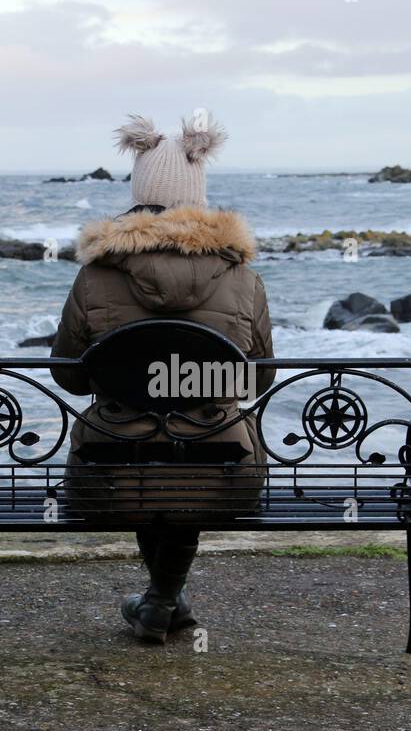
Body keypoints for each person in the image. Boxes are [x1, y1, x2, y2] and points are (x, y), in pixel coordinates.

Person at [50, 113, 274, 642]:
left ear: (137, 193)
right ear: (198, 195)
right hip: (224, 474)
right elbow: (257, 380)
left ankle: (161, 601)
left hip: (109, 474)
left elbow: (69, 378)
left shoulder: (96, 274)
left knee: (142, 451)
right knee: (189, 450)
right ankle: (162, 599)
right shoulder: (242, 277)